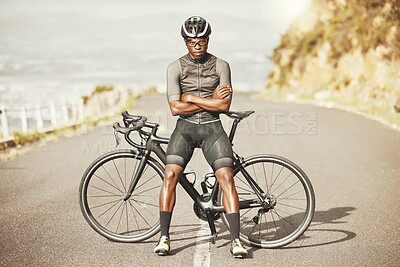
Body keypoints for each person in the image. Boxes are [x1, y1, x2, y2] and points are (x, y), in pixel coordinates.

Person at [153, 16, 248, 258]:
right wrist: (210, 101)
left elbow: (224, 106)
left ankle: (236, 240)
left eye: (202, 39)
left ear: (208, 39)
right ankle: (164, 237)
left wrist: (192, 98)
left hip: (212, 130)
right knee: (170, 174)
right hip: (184, 129)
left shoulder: (221, 65)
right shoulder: (174, 67)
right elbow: (175, 109)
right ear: (185, 41)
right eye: (193, 40)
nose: (198, 44)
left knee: (226, 177)